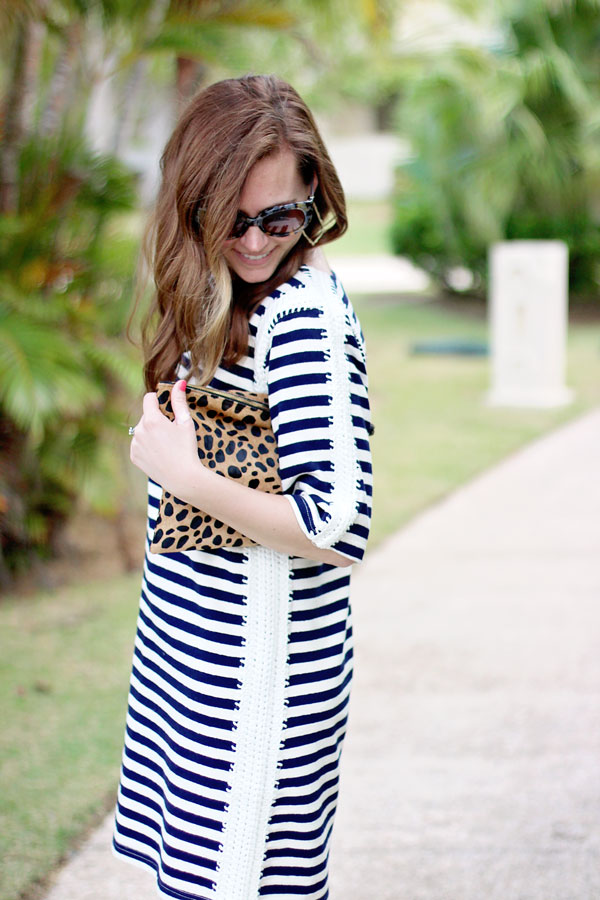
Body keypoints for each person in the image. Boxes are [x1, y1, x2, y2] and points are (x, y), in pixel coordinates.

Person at [113, 74, 373, 900]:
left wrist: (184, 477)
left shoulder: (300, 316)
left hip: (254, 683)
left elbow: (337, 524)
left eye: (281, 219)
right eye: (233, 217)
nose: (257, 241)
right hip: (198, 671)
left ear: (313, 198)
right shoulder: (228, 293)